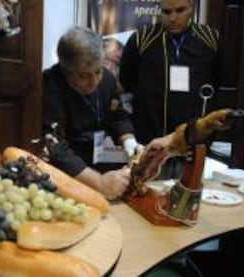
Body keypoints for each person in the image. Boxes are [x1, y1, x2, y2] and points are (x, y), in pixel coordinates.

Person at [119, 0, 221, 179]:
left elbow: (218, 82)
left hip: (193, 144)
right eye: (166, 12)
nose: (173, 18)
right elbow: (127, 81)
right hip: (150, 144)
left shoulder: (210, 39)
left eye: (179, 10)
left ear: (191, 7)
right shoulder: (142, 39)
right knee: (148, 199)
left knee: (189, 201)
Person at [42, 26, 143, 200]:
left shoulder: (108, 80)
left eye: (98, 71)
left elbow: (117, 116)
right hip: (63, 174)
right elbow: (55, 145)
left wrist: (130, 143)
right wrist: (98, 182)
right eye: (84, 76)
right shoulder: (49, 84)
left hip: (95, 162)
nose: (94, 81)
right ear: (65, 70)